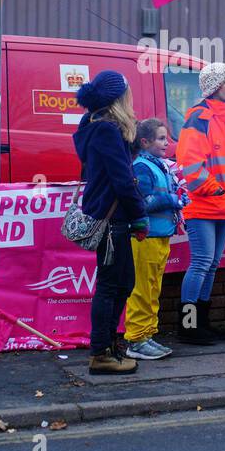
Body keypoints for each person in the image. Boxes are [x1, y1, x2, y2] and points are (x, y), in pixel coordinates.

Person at [72, 70, 148, 375]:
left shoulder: (96, 125)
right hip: (112, 218)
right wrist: (140, 216)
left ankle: (109, 346)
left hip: (109, 216)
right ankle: (101, 352)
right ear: (119, 98)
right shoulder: (106, 130)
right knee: (110, 285)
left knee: (123, 283)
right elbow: (123, 181)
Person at [175, 62, 225, 345]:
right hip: (206, 205)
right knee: (202, 263)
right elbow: (190, 164)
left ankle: (200, 323)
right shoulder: (200, 118)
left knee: (211, 264)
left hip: (222, 203)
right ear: (215, 87)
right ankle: (188, 327)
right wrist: (216, 190)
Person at [124, 118, 186, 360]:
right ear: (144, 142)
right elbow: (143, 203)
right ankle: (136, 340)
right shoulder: (142, 167)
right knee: (142, 290)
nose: (166, 143)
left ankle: (147, 334)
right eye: (161, 138)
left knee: (152, 289)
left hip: (159, 237)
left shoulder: (158, 165)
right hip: (145, 238)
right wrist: (172, 200)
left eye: (166, 138)